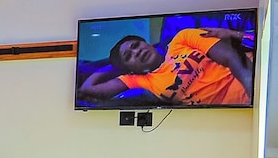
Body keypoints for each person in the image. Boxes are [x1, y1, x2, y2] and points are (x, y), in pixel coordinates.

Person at [78, 27, 253, 106]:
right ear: (129, 70)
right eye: (129, 56)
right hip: (238, 109)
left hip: (253, 78)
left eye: (136, 45)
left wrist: (253, 91)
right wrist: (114, 64)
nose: (137, 52)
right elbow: (88, 88)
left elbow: (231, 57)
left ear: (146, 43)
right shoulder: (142, 80)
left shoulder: (182, 39)